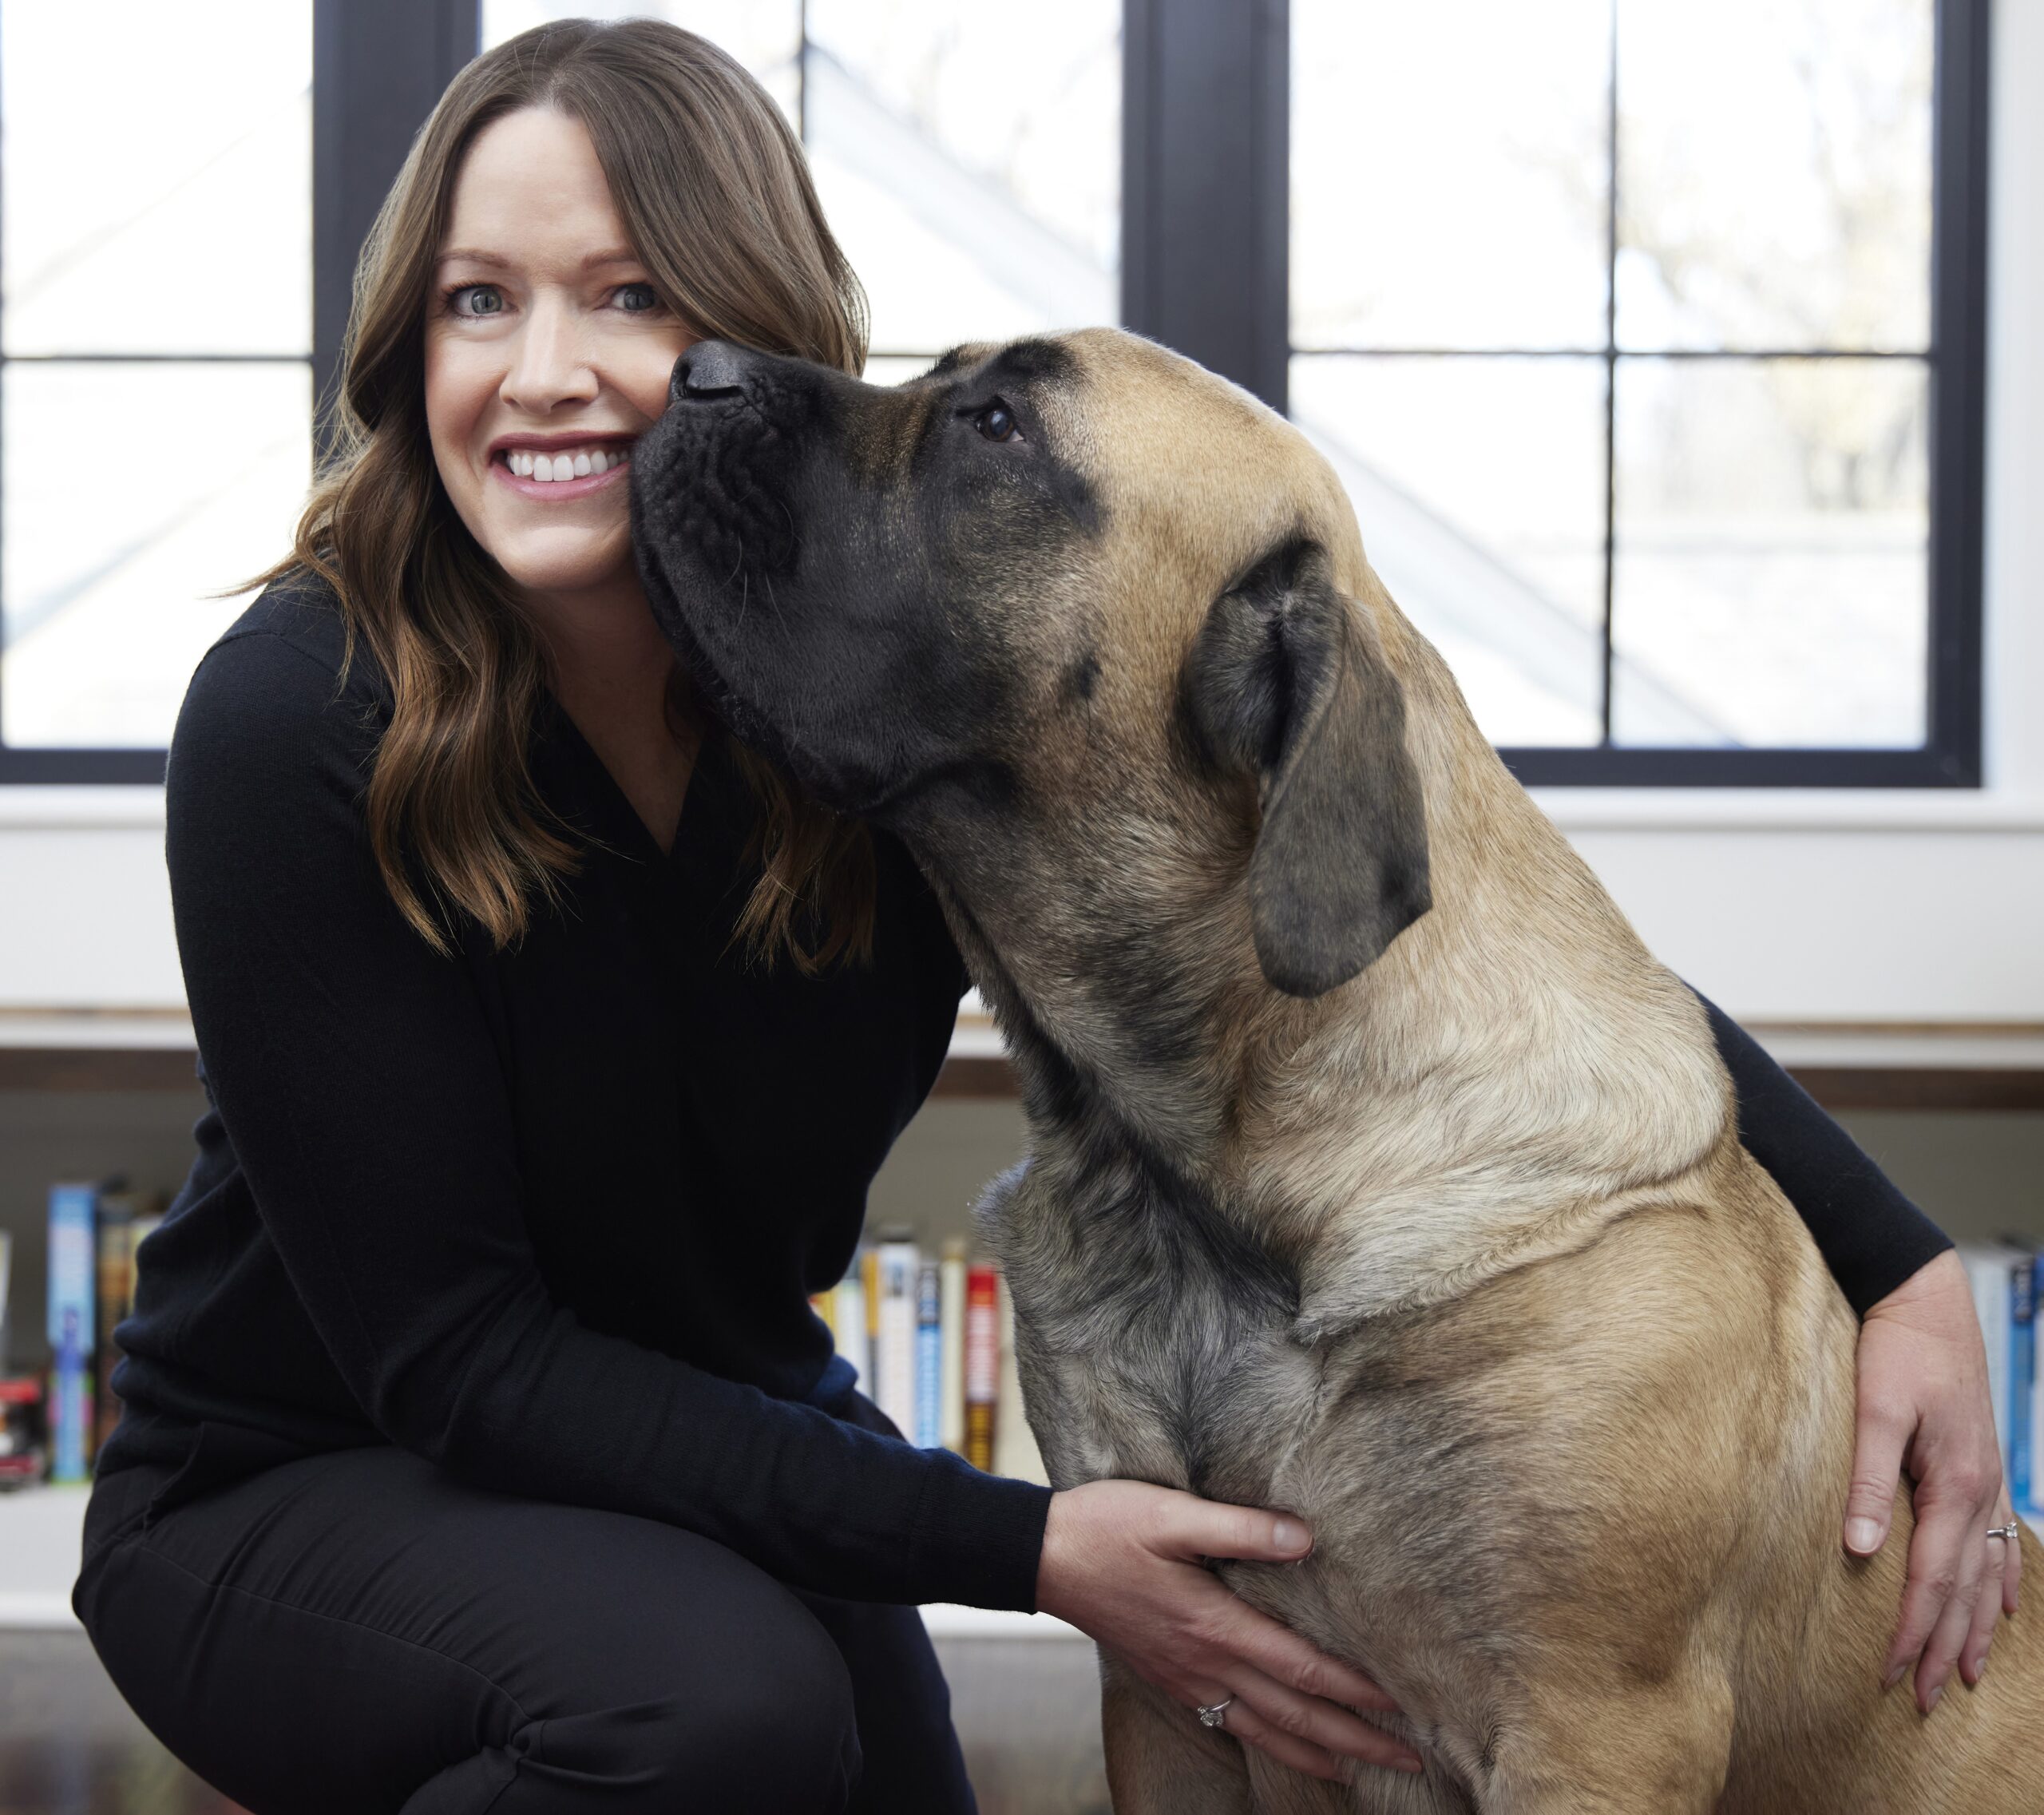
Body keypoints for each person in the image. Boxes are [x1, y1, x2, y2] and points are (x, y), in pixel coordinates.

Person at [69, 18, 2016, 1814]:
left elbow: (1463, 930)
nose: (545, 368)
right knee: (709, 1718)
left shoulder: (855, 696)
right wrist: (1020, 1553)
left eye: (631, 294)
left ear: (741, 333)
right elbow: (462, 1361)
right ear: (409, 351)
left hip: (691, 1433)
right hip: (299, 1482)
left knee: (846, 1760)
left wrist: (1890, 1254)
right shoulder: (299, 716)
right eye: (476, 302)